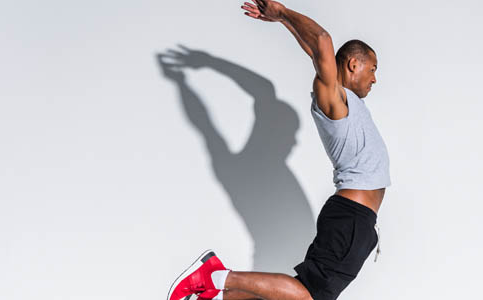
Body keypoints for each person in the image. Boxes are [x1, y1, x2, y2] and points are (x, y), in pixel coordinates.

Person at [167, 0, 389, 299]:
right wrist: (282, 12)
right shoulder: (333, 98)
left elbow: (314, 52)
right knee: (310, 295)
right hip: (352, 216)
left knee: (294, 294)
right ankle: (216, 276)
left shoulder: (346, 100)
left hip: (359, 221)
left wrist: (283, 23)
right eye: (372, 69)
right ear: (353, 64)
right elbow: (321, 42)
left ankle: (217, 293)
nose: (375, 78)